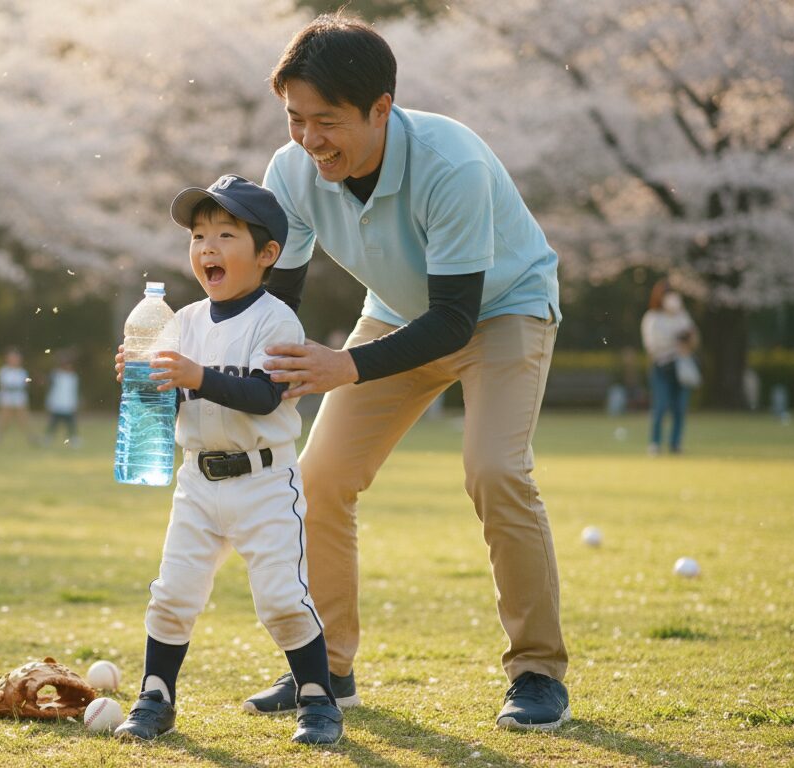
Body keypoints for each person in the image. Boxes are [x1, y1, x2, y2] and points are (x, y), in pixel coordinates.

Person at [241, 13, 570, 731]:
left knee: (495, 470)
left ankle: (538, 671)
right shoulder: (292, 170)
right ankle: (326, 668)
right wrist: (212, 372)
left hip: (502, 311)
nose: (308, 139)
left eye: (325, 121)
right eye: (296, 118)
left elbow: (455, 319)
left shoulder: (451, 164)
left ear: (381, 109)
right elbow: (278, 301)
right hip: (394, 311)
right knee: (319, 476)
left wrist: (344, 365)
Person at [110, 175, 343, 745]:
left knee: (282, 598)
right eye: (198, 235)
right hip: (197, 481)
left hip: (264, 481)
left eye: (225, 234)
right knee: (173, 591)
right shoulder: (180, 321)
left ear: (267, 255)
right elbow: (177, 397)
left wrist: (195, 375)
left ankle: (317, 699)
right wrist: (148, 380)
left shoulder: (276, 319)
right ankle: (155, 696)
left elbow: (265, 395)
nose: (207, 247)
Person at [640, 280, 699, 455]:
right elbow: (651, 345)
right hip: (662, 366)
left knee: (680, 407)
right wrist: (674, 341)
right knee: (661, 406)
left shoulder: (682, 316)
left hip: (681, 366)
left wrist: (688, 340)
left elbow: (694, 339)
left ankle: (675, 443)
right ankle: (655, 443)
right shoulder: (652, 318)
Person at [0, 347, 36, 444]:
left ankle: (30, 437)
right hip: (6, 398)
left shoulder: (22, 372)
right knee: (4, 418)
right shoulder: (4, 371)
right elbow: (3, 385)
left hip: (19, 398)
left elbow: (25, 384)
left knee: (23, 418)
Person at [44, 351, 81, 446]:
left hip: (68, 405)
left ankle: (74, 439)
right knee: (53, 424)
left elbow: (73, 392)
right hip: (57, 404)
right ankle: (48, 438)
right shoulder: (56, 375)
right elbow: (51, 389)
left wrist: (75, 403)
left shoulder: (73, 377)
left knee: (71, 425)